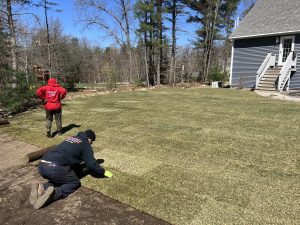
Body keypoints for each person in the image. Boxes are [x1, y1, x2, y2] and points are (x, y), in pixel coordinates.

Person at [29, 129, 113, 210]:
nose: (91, 143)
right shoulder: (85, 144)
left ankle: (42, 189)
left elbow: (71, 157)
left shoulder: (72, 138)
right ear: (90, 139)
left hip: (42, 165)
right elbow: (91, 164)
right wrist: (103, 172)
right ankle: (54, 194)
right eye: (92, 141)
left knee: (61, 178)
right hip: (54, 167)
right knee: (74, 182)